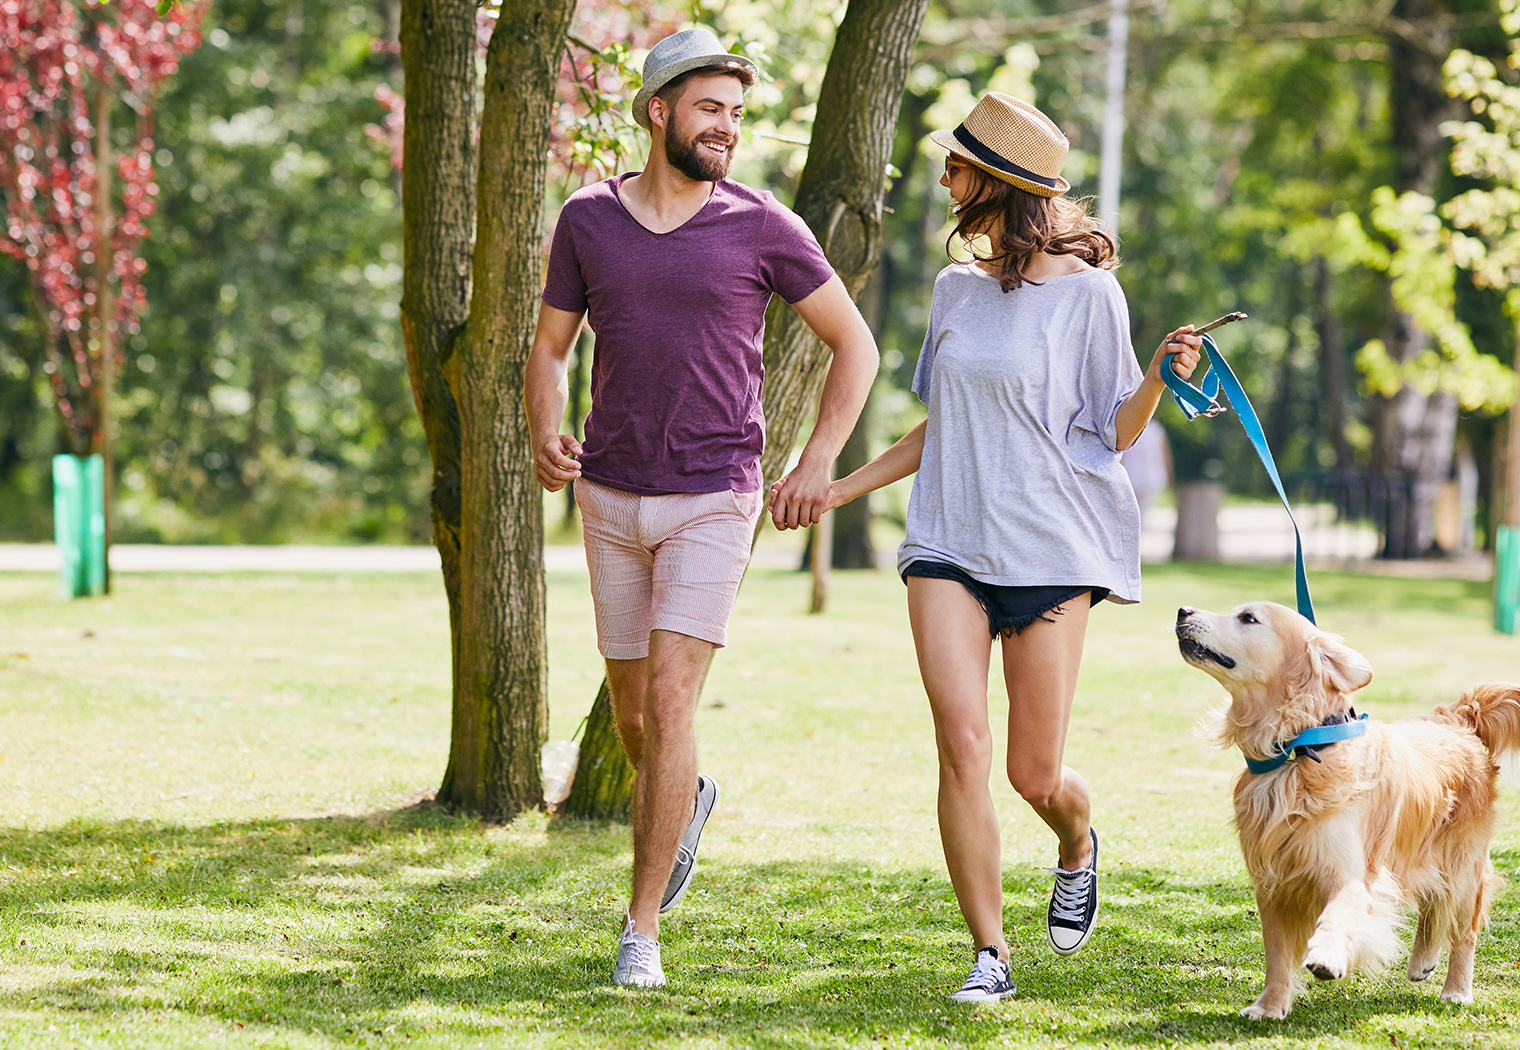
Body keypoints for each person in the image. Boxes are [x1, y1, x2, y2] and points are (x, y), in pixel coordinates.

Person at [771, 92, 1201, 1002]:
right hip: (949, 540)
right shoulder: (953, 289)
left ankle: (1077, 840)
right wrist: (841, 485)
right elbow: (944, 424)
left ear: (1000, 185)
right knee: (961, 745)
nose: (946, 175)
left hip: (1052, 549)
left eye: (960, 164)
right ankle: (989, 956)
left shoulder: (1091, 296)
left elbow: (1113, 433)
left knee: (1032, 771)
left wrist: (1158, 376)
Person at [524, 28, 878, 989]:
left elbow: (856, 347)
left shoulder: (763, 225)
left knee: (674, 701)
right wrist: (545, 427)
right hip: (607, 492)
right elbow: (550, 348)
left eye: (735, 112)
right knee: (638, 718)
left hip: (715, 495)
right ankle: (690, 796)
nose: (727, 127)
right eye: (710, 109)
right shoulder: (588, 221)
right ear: (658, 112)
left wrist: (815, 460)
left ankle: (640, 929)